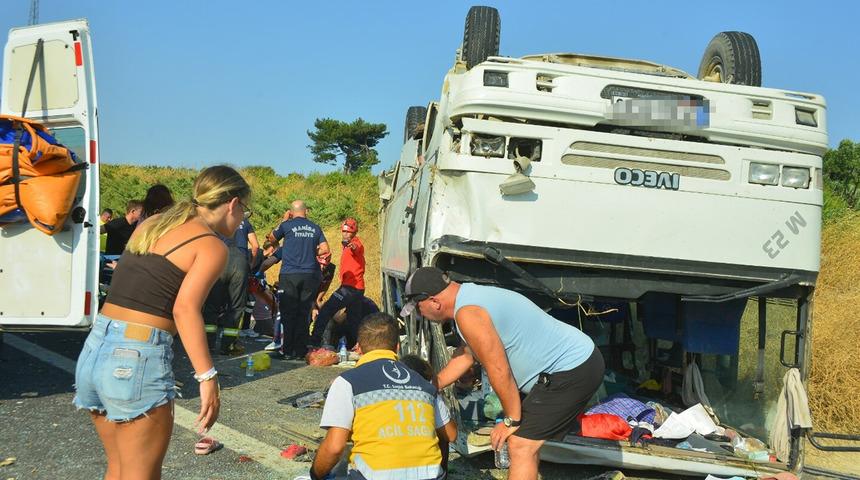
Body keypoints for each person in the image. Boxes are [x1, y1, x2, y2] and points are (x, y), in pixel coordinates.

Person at [73, 165, 251, 479]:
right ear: (233, 204)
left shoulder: (154, 222)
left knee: (118, 469)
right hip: (135, 358)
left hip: (94, 351)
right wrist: (207, 377)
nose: (241, 221)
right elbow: (185, 309)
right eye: (244, 210)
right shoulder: (211, 246)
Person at [400, 267, 605, 480]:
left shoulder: (468, 313)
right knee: (524, 444)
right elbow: (467, 353)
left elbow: (499, 369)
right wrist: (433, 384)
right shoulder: (469, 297)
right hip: (573, 364)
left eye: (418, 307)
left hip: (572, 368)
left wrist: (511, 420)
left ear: (434, 301)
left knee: (520, 445)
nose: (419, 313)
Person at [310, 313, 456, 480]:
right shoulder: (424, 384)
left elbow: (335, 447)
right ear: (397, 348)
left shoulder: (348, 382)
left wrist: (315, 474)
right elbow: (450, 435)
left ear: (358, 348)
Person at [269, 200, 329, 359]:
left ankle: (287, 351)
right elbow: (325, 249)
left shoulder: (286, 225)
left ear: (291, 212)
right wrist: (311, 250)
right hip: (310, 274)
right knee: (303, 313)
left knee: (289, 313)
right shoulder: (315, 228)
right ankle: (300, 351)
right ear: (306, 212)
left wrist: (282, 221)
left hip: (290, 274)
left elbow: (271, 239)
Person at [309, 217, 365, 351]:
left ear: (354, 233)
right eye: (344, 231)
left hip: (350, 289)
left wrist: (352, 245)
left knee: (327, 310)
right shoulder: (346, 246)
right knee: (354, 321)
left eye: (349, 232)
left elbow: (357, 248)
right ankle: (358, 346)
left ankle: (314, 341)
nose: (345, 234)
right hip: (357, 289)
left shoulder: (356, 243)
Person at [400, 354, 456, 480]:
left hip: (389, 467)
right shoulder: (429, 394)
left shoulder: (385, 395)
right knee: (442, 434)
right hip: (425, 471)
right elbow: (451, 435)